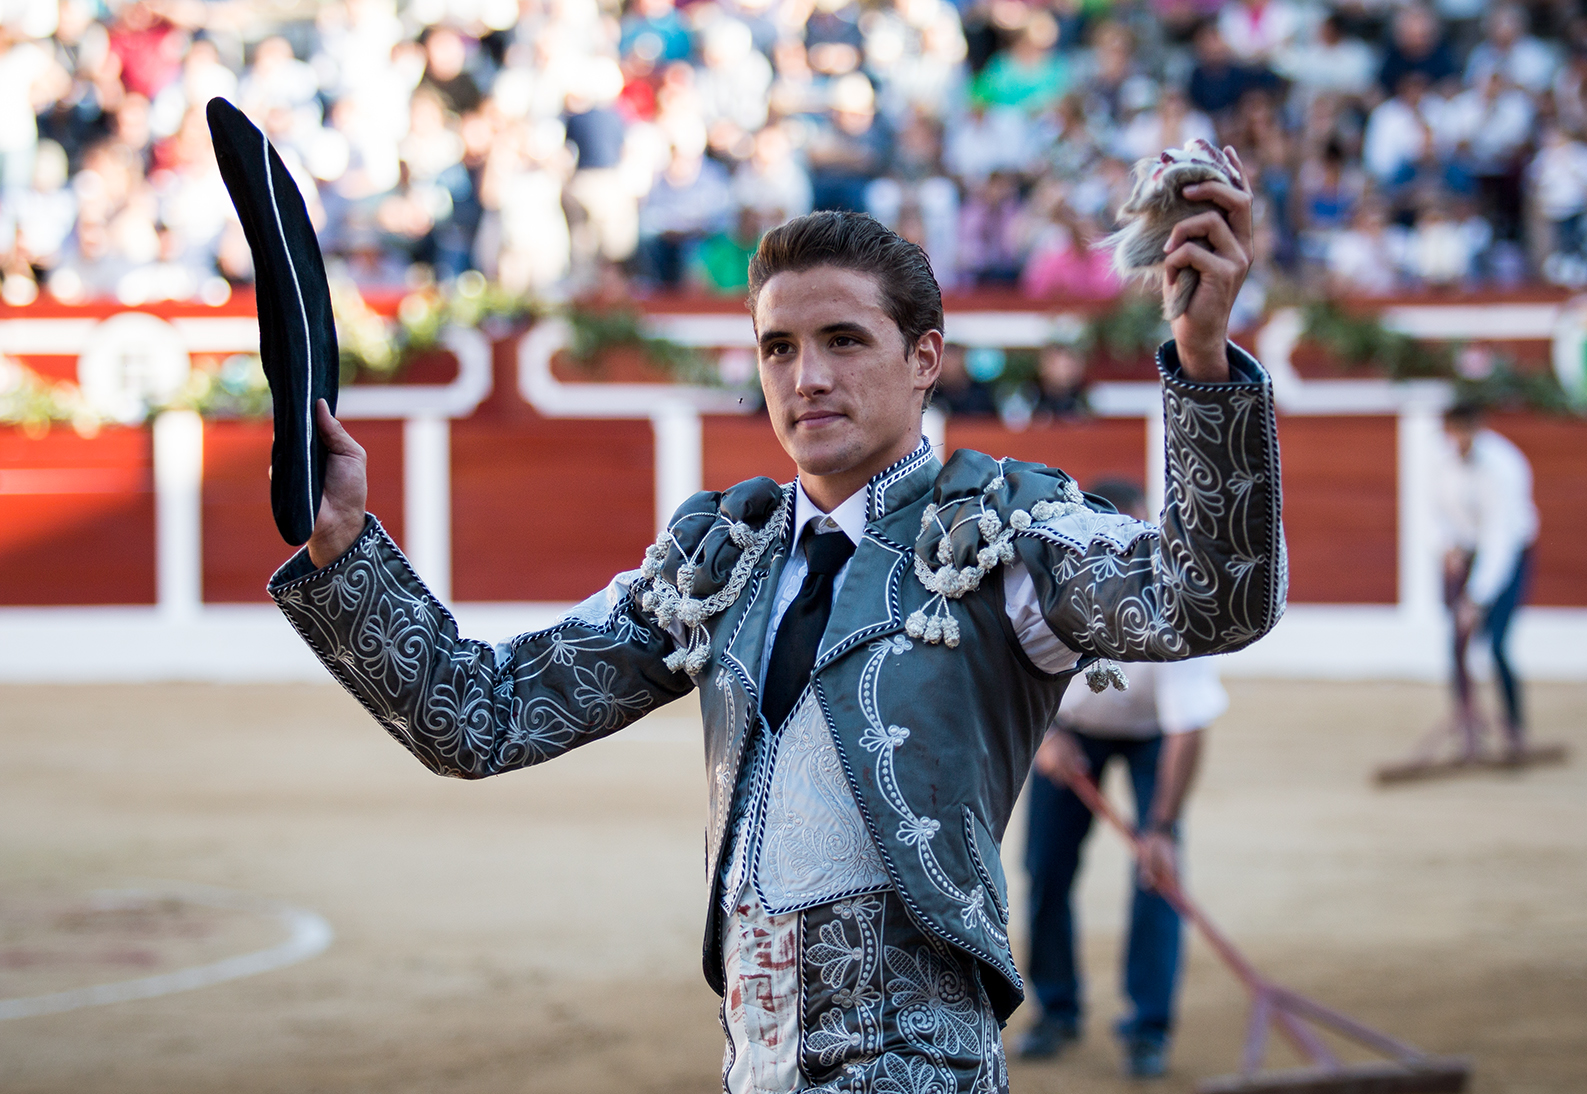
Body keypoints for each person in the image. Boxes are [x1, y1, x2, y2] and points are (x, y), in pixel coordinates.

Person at [268, 178, 1284, 1092]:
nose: (807, 378)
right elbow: (474, 716)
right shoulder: (722, 561)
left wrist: (1200, 361)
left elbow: (1210, 595)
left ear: (923, 357)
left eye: (843, 340)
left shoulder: (1003, 536)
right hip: (756, 1062)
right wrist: (343, 545)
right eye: (779, 347)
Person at [1012, 479, 1226, 1079]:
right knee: (1046, 870)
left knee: (1158, 872)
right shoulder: (1053, 578)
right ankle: (1057, 1009)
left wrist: (1161, 826)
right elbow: (1013, 676)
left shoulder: (1181, 604)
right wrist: (1046, 739)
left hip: (1155, 734)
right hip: (1069, 726)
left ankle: (1148, 1025)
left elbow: (1187, 728)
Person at [1435, 401, 1538, 755]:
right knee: (1458, 643)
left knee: (1496, 645)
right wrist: (1447, 545)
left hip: (1510, 556)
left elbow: (1500, 540)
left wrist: (1477, 598)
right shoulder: (1442, 462)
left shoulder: (1503, 467)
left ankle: (1514, 730)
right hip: (1466, 554)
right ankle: (1468, 728)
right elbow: (1436, 511)